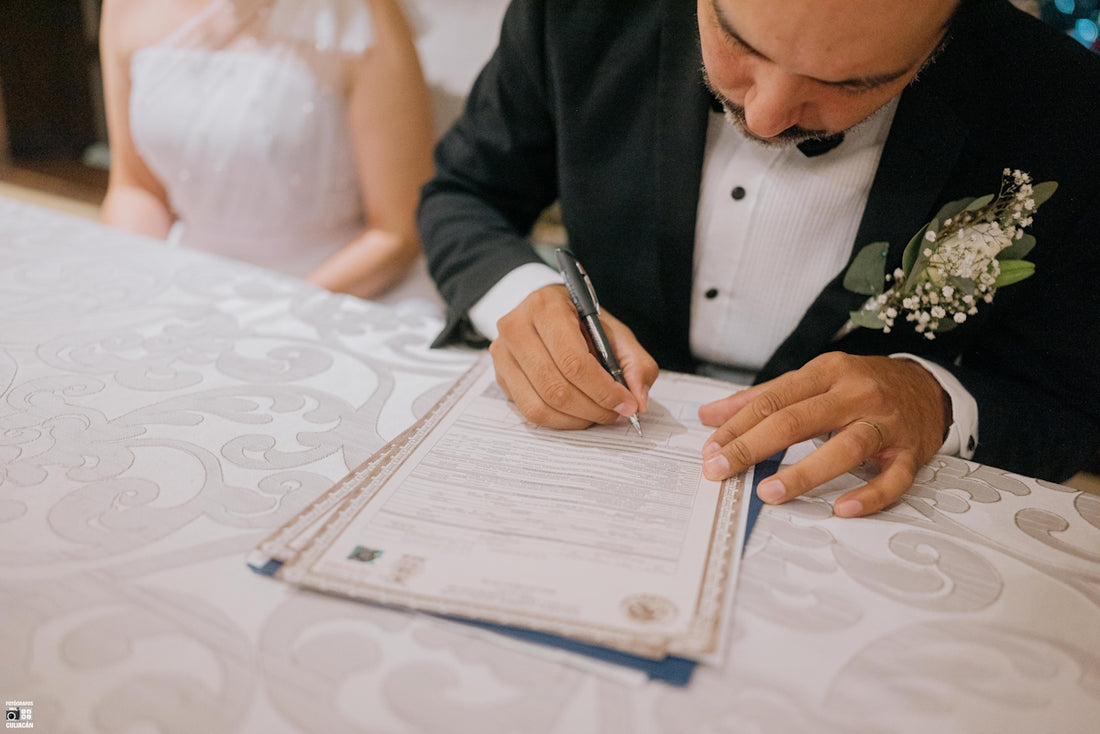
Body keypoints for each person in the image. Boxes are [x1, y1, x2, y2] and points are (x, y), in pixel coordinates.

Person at [418, 0, 1100, 517]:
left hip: (846, 521)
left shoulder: (1063, 109)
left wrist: (936, 401)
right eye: (737, 42)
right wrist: (516, 296)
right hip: (591, 473)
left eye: (855, 83)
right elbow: (465, 193)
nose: (769, 116)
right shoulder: (579, 14)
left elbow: (1071, 403)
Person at [100, 0, 437, 302]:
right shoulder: (125, 6)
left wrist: (276, 311)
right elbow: (136, 186)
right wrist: (144, 287)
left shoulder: (361, 15)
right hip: (189, 281)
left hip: (339, 290)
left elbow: (397, 232)